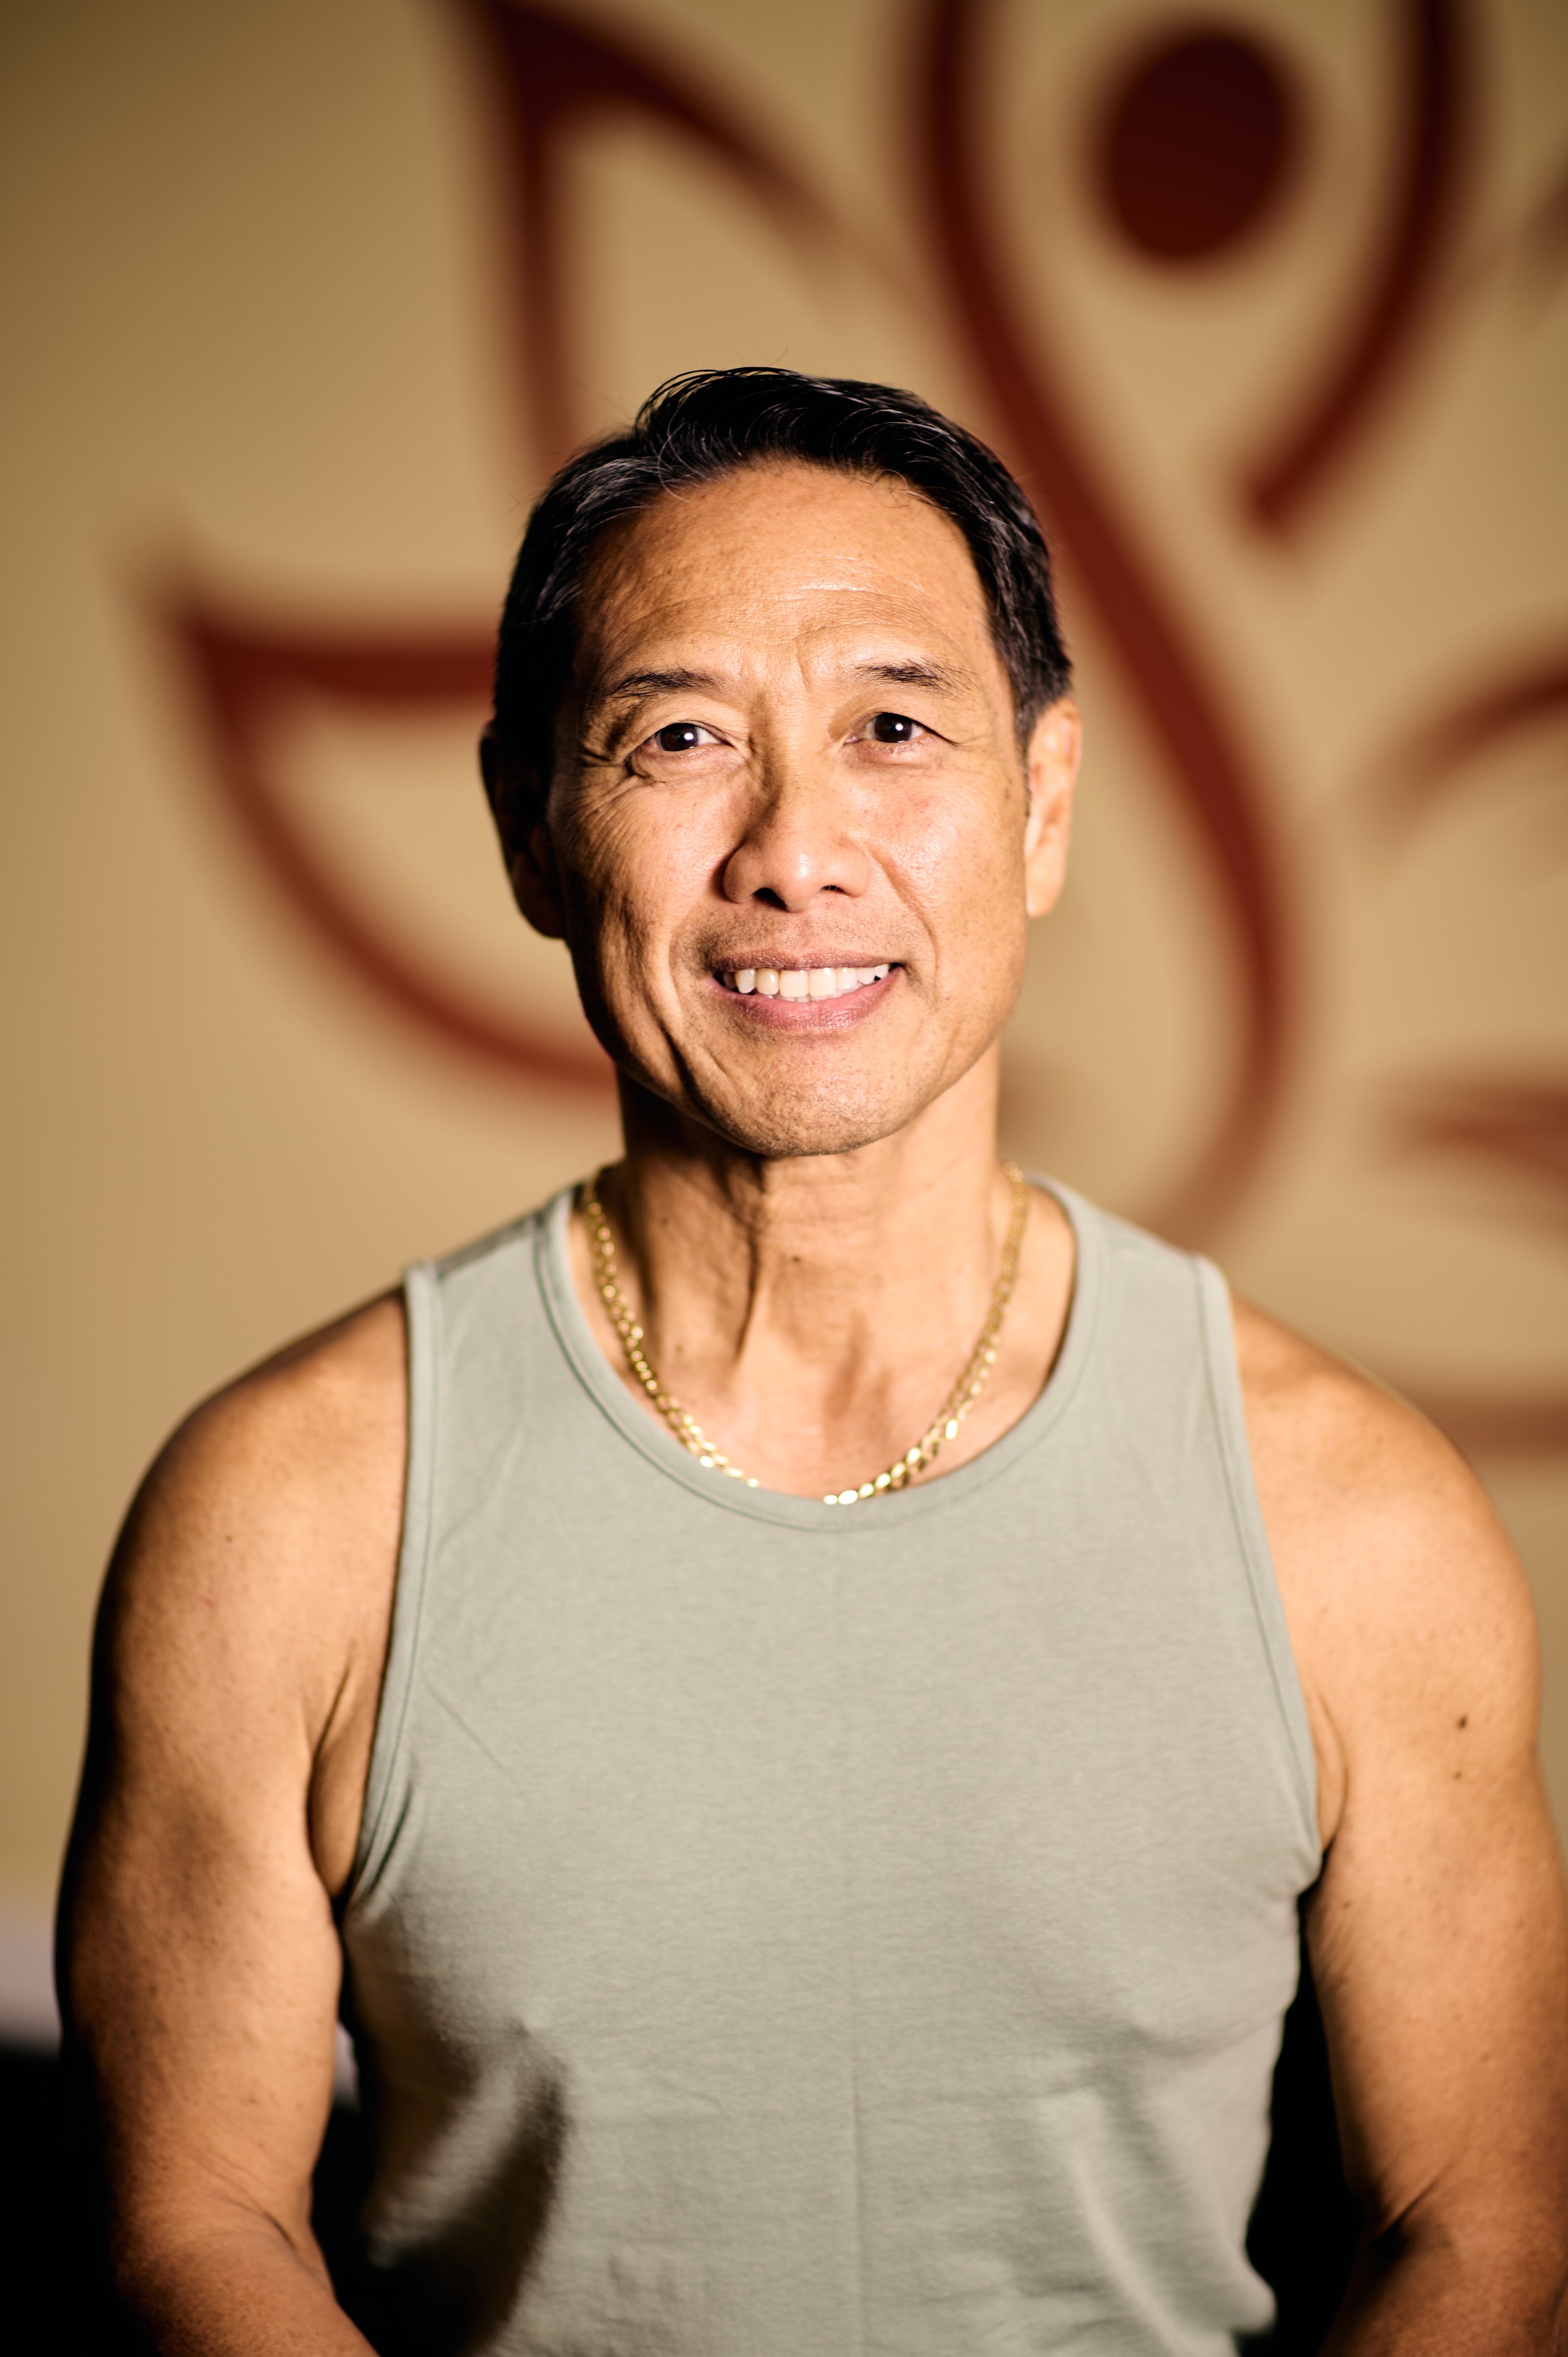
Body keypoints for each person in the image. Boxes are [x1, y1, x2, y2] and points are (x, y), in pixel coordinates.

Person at [59, 369, 1568, 2354]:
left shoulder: (1351, 1519)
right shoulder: (288, 1512)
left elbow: (1483, 2235)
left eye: (891, 728)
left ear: (1039, 804)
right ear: (529, 828)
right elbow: (199, 2227)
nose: (794, 851)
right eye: (679, 737)